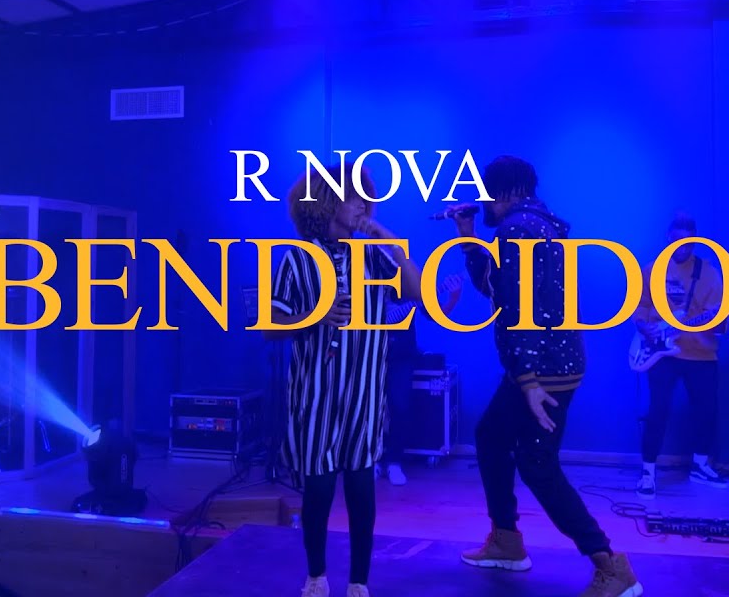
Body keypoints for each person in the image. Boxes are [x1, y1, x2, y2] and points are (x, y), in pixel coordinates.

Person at [450, 156, 642, 597]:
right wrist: (467, 237)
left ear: (506, 191)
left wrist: (529, 381)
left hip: (542, 367)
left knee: (538, 464)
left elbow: (519, 311)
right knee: (492, 436)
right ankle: (507, 540)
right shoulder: (541, 225)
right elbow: (498, 288)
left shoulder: (517, 230)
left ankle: (610, 565)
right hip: (555, 361)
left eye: (487, 194)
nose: (484, 202)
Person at [265, 163, 422, 597]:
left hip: (364, 397)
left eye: (366, 199)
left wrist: (390, 241)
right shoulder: (298, 258)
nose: (363, 207)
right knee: (317, 491)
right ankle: (316, 575)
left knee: (361, 491)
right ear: (327, 201)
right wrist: (312, 316)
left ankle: (359, 582)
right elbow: (271, 325)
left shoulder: (373, 256)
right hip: (316, 397)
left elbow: (416, 293)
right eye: (354, 198)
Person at [634, 212, 728, 499]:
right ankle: (648, 472)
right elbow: (640, 306)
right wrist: (644, 327)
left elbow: (717, 322)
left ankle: (701, 465)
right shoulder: (652, 270)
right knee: (658, 410)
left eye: (687, 243)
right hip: (661, 353)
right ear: (668, 238)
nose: (681, 248)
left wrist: (712, 321)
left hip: (700, 354)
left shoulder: (709, 273)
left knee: (707, 410)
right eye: (676, 241)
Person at [377, 273, 463, 486]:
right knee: (369, 410)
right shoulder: (365, 277)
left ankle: (394, 462)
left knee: (400, 407)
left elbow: (437, 315)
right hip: (368, 354)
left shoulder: (410, 283)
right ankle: (371, 461)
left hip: (402, 355)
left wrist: (453, 297)